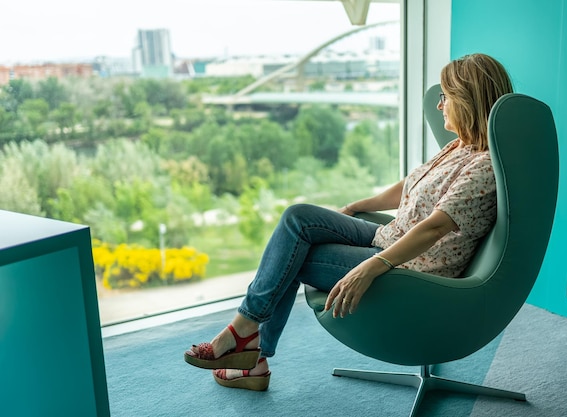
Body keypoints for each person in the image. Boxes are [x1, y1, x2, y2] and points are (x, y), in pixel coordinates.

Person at [183, 53, 514, 391]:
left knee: (293, 257)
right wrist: (357, 206)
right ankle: (248, 344)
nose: (440, 106)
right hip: (390, 236)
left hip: (411, 269)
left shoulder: (483, 165)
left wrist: (371, 267)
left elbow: (434, 227)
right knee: (297, 219)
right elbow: (412, 185)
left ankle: (245, 342)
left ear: (468, 101)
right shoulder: (461, 146)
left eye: (446, 97)